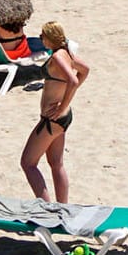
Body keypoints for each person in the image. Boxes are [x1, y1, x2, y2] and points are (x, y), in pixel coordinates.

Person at [20, 21, 88, 203]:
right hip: (62, 118)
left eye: (42, 36)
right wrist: (64, 104)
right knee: (56, 164)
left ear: (50, 38)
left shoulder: (58, 56)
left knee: (27, 163)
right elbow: (85, 70)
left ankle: (47, 208)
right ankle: (63, 208)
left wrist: (62, 105)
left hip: (53, 119)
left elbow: (73, 80)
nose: (41, 38)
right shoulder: (66, 53)